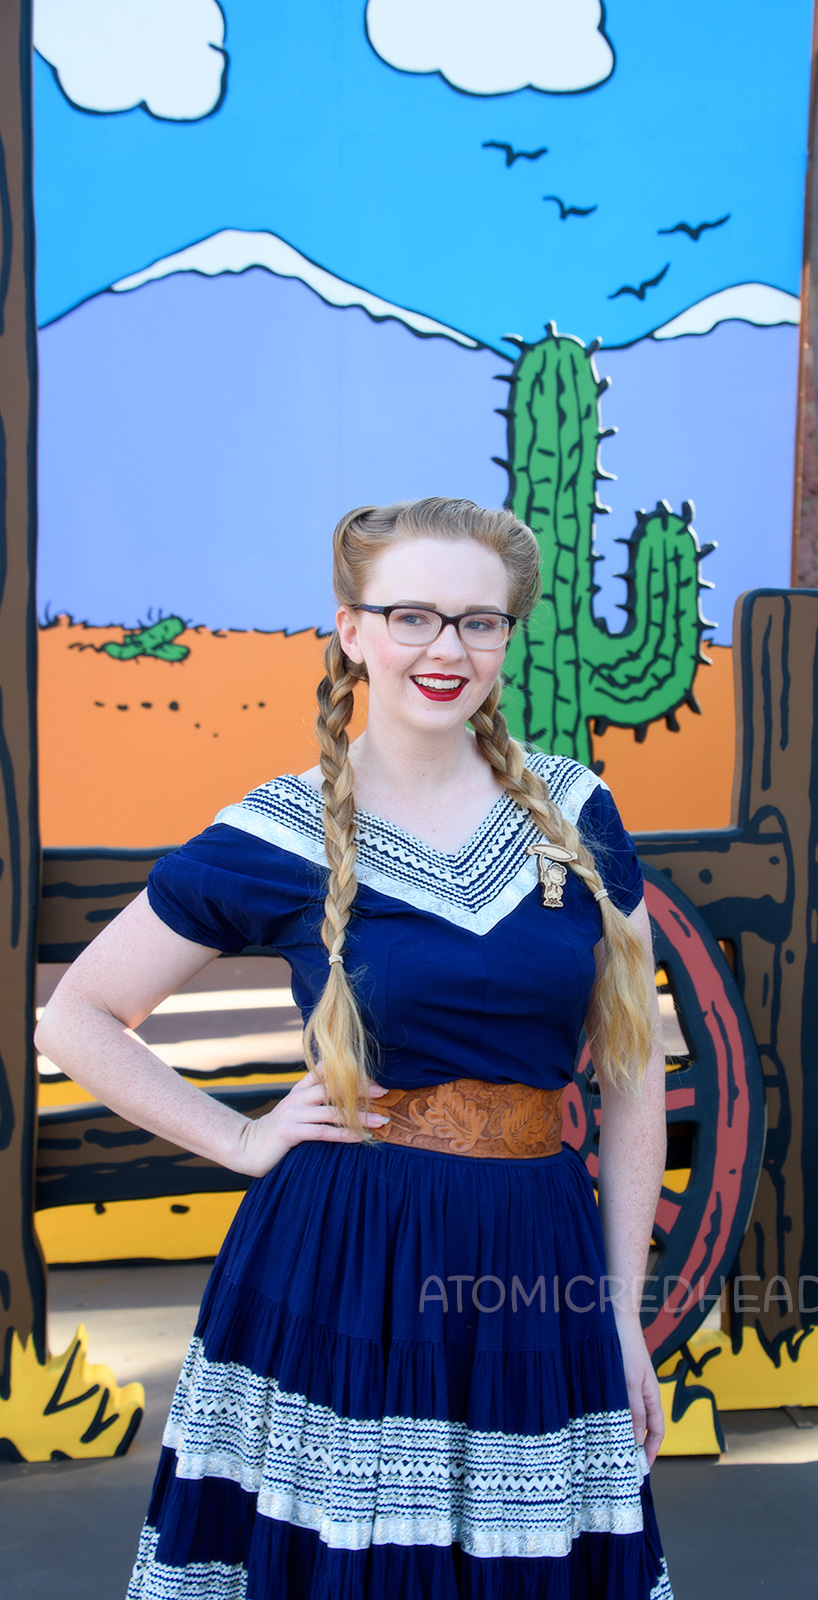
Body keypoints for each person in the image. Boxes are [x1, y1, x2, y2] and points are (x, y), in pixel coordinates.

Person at [36, 497, 674, 1598]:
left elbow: (633, 1081)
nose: (446, 649)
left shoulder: (576, 809)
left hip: (534, 1250)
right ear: (351, 629)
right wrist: (239, 1138)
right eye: (413, 615)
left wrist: (619, 1318)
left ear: (508, 638)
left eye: (480, 622)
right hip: (346, 1256)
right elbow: (76, 1017)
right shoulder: (280, 828)